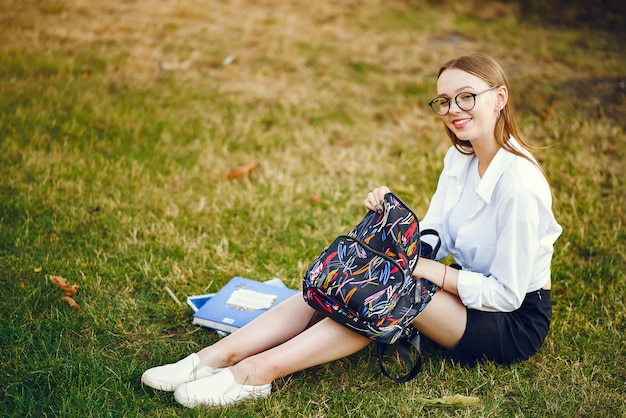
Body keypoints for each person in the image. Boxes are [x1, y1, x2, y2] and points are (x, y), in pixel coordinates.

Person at [141, 52, 562, 408]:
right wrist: (391, 220)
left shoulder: (520, 187)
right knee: (348, 269)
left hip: (510, 321)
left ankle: (255, 373)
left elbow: (506, 293)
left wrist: (436, 275)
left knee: (387, 291)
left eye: (467, 96)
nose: (454, 110)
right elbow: (435, 236)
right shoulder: (462, 159)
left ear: (499, 98)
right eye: (445, 101)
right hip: (467, 296)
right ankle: (215, 356)